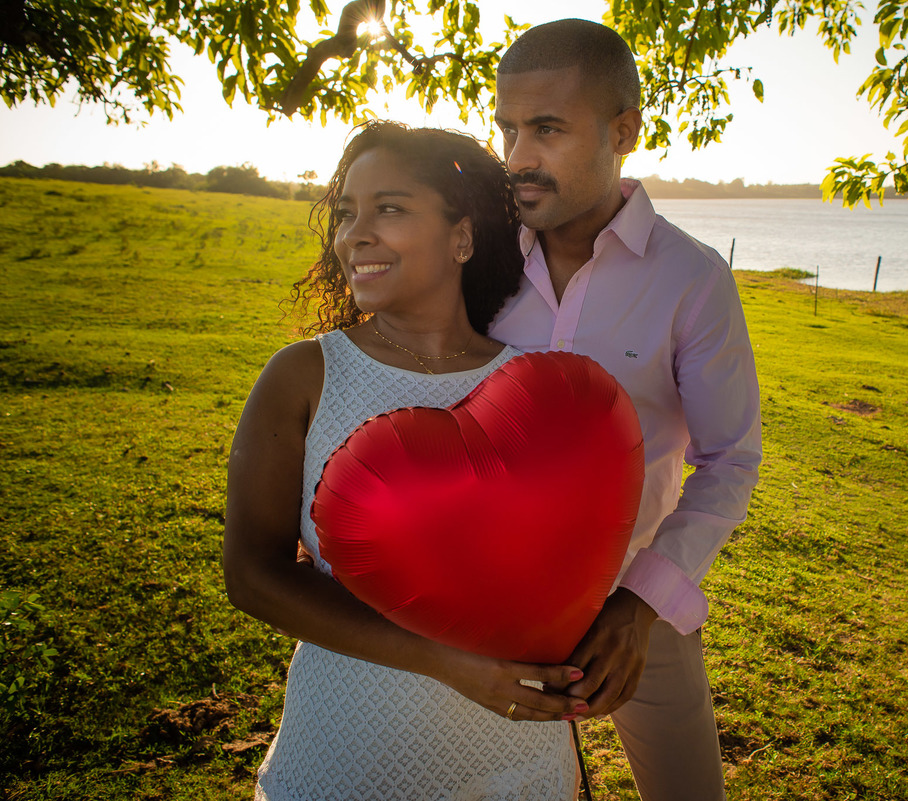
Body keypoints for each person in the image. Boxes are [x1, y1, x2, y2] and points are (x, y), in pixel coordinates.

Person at [223, 122, 587, 800]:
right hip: (346, 757)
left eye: (388, 207)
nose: (354, 233)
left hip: (520, 763)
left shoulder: (537, 387)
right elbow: (251, 573)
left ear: (462, 236)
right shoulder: (304, 376)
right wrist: (449, 663)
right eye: (345, 213)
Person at [491, 19, 763, 801]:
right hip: (489, 600)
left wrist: (641, 605)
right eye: (507, 127)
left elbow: (730, 461)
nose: (517, 157)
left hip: (635, 607)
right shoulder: (480, 261)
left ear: (624, 130)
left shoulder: (694, 279)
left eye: (546, 128)